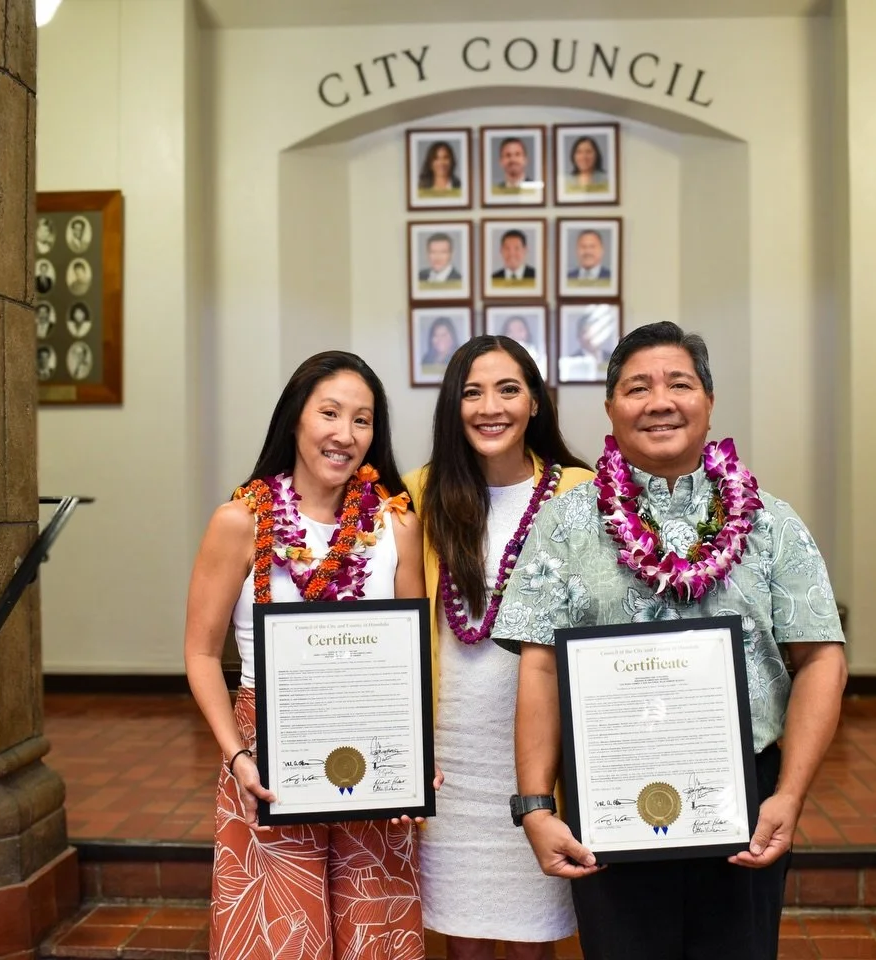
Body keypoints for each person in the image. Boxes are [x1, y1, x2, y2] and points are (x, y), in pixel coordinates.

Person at [499, 322, 848, 960]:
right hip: (609, 791)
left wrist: (789, 795)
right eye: (638, 388)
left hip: (746, 801)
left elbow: (822, 658)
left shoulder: (771, 522)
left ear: (709, 402)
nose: (659, 402)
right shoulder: (564, 525)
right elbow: (540, 667)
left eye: (679, 384)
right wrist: (536, 806)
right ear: (611, 408)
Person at [184, 351, 432, 960]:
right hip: (267, 756)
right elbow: (200, 653)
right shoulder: (239, 521)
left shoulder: (397, 526)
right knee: (280, 935)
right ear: (295, 418)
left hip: (372, 749)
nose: (345, 434)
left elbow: (411, 654)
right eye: (330, 413)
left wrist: (413, 757)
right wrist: (238, 757)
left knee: (376, 934)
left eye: (363, 420)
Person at [405, 336, 593, 960]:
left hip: (540, 757)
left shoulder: (582, 494)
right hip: (450, 752)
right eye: (472, 392)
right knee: (462, 935)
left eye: (509, 390)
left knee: (533, 936)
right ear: (452, 407)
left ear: (535, 402)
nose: (491, 407)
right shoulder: (419, 493)